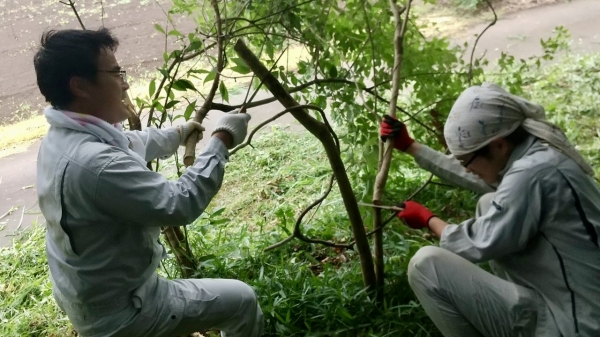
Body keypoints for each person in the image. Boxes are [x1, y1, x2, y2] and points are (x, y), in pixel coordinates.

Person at [33, 28, 263, 337]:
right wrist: (221, 139)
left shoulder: (62, 138)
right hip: (124, 312)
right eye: (116, 73)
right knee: (242, 301)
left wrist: (177, 135)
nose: (125, 82)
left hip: (88, 297)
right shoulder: (96, 165)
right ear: (80, 86)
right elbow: (180, 203)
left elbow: (126, 142)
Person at [380, 83, 600, 337]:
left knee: (425, 265)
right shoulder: (539, 151)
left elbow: (477, 241)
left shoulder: (531, 175)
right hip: (580, 298)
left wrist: (428, 219)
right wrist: (411, 146)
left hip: (577, 324)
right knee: (488, 203)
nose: (468, 168)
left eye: (467, 161)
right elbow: (487, 177)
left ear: (498, 145)